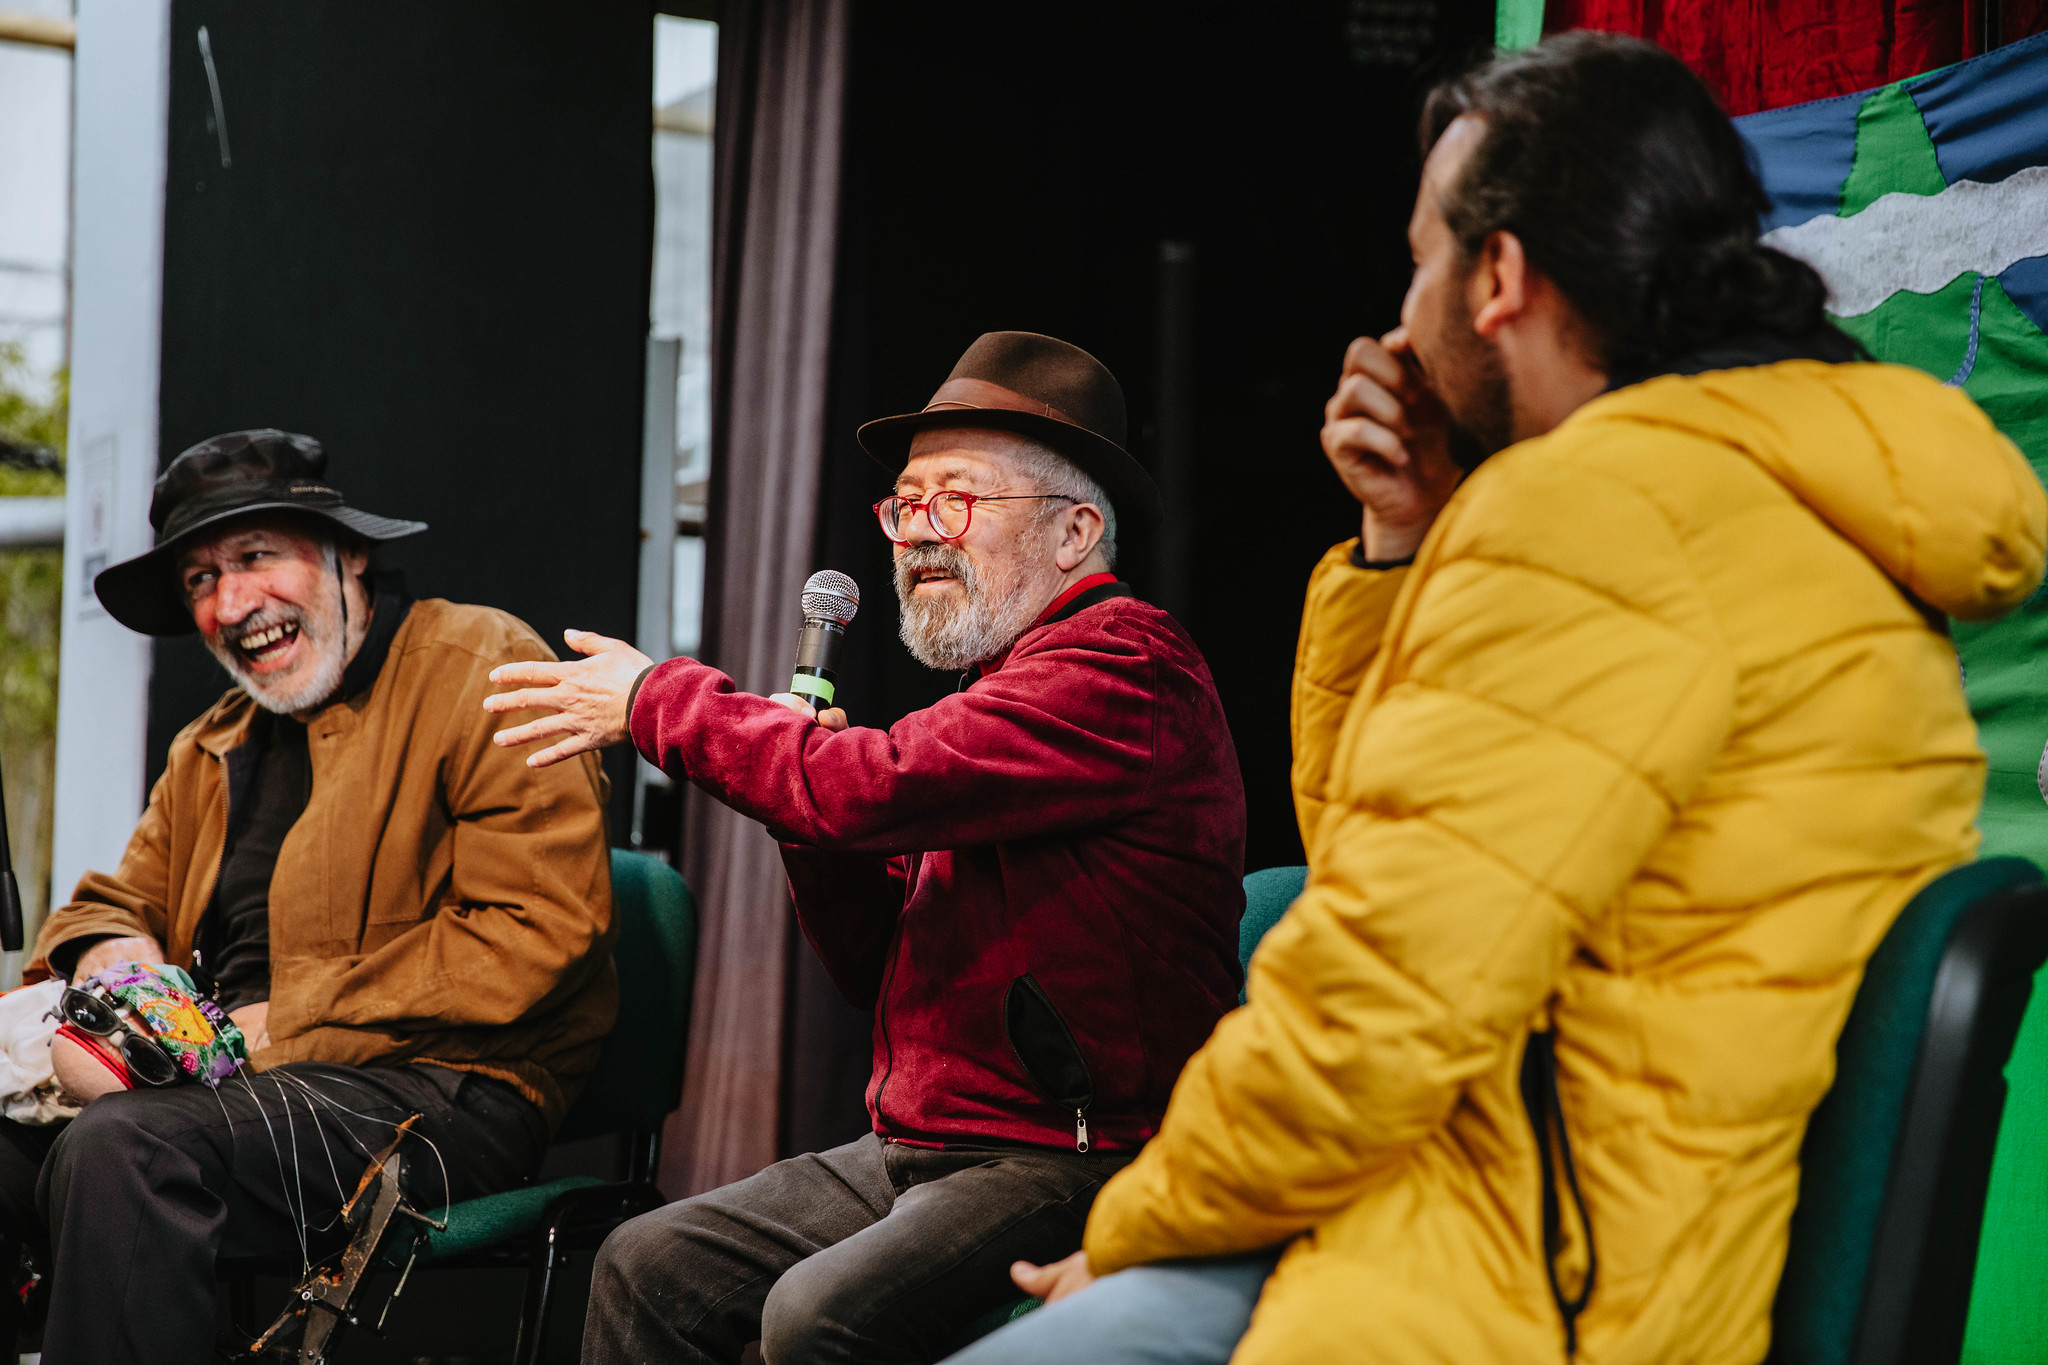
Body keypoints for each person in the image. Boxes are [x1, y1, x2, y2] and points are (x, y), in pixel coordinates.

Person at [949, 34, 2047, 1365]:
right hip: (1606, 1235)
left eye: (1422, 259)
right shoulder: (1796, 491)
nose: (1401, 312)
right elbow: (1385, 865)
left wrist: (1131, 1229)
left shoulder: (1601, 516)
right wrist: (1403, 543)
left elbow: (1368, 1007)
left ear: (1503, 279)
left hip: (1508, 1296)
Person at [484, 331, 1248, 1364]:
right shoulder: (1001, 692)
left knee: (813, 1315)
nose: (918, 535)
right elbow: (870, 966)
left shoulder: (1122, 667)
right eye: (906, 505)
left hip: (1077, 1157)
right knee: (646, 1262)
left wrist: (657, 699)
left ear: (1073, 532)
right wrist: (813, 818)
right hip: (922, 1147)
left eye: (956, 502)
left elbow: (872, 787)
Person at [8, 429, 617, 1364]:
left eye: (256, 557)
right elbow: (110, 899)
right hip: (237, 1090)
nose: (233, 602)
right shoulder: (214, 741)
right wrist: (113, 954)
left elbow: (535, 931)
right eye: (201, 580)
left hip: (447, 1087)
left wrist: (268, 1028)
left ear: (348, 553)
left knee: (124, 1148)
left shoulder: (478, 662)